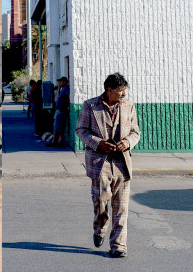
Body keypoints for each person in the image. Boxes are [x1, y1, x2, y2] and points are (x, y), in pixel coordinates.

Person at [75, 73, 141, 258]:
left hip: (122, 164)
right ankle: (100, 229)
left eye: (125, 91)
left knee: (121, 208)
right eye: (120, 91)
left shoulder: (128, 106)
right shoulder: (90, 105)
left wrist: (127, 142)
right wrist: (98, 143)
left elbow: (136, 131)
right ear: (109, 90)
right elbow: (80, 130)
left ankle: (118, 245)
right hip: (99, 164)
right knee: (101, 205)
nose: (124, 95)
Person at [49, 77, 70, 147]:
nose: (59, 83)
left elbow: (67, 97)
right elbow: (57, 97)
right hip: (59, 109)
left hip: (61, 110)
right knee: (58, 126)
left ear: (64, 82)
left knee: (57, 126)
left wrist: (67, 105)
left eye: (61, 82)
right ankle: (57, 141)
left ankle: (55, 142)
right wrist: (58, 88)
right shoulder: (62, 89)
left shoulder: (66, 89)